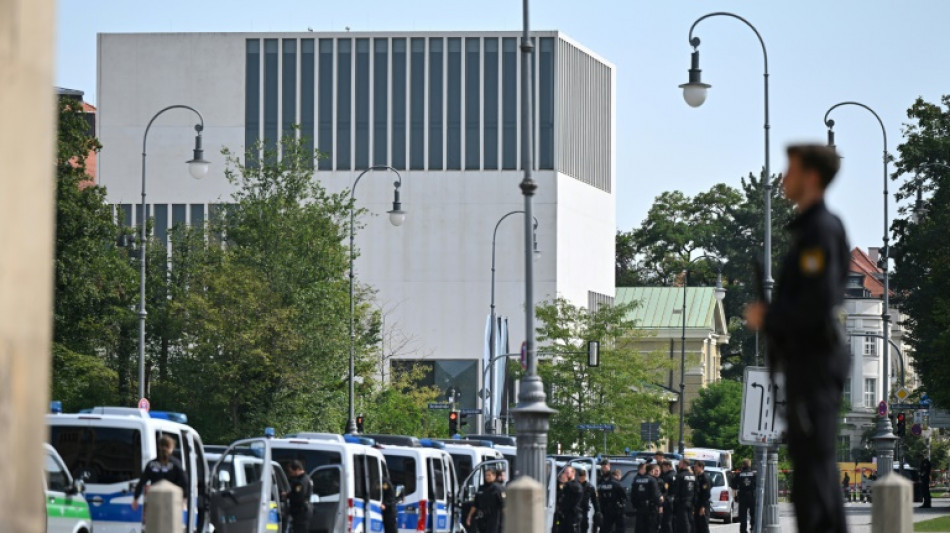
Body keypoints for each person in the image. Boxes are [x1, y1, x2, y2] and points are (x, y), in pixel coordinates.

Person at [745, 143, 850, 533]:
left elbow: (818, 302)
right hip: (808, 361)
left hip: (817, 360)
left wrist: (769, 315)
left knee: (814, 472)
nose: (783, 180)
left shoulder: (820, 230)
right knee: (811, 469)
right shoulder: (810, 229)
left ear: (811, 177)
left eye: (790, 171)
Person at [131, 435, 188, 515]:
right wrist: (184, 499)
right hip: (172, 500)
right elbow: (185, 482)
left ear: (158, 446)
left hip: (155, 500)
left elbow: (141, 483)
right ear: (171, 448)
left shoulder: (151, 464)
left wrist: (136, 499)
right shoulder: (176, 464)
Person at [467, 468, 505, 533]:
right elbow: (476, 504)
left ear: (494, 476)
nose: (487, 477)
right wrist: (469, 516)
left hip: (495, 518)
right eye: (486, 475)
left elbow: (504, 505)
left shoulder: (499, 488)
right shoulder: (481, 488)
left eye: (489, 475)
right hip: (483, 518)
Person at [284, 461, 313, 533]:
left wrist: (287, 495)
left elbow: (298, 497)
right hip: (304, 510)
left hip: (300, 512)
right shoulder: (307, 478)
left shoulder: (300, 481)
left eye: (291, 472)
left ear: (297, 470)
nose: (290, 474)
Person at [633, 463, 662, 533]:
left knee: (640, 528)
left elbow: (633, 495)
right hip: (651, 509)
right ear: (652, 471)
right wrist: (659, 504)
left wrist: (636, 505)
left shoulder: (636, 479)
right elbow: (656, 495)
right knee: (651, 529)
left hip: (640, 508)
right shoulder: (652, 480)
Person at [596, 469, 627, 533]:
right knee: (620, 528)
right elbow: (624, 496)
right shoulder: (616, 484)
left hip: (606, 510)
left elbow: (600, 497)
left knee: (606, 528)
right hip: (617, 509)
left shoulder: (601, 485)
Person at [555, 466, 583, 533]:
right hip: (563, 516)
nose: (565, 474)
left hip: (573, 516)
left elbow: (576, 491)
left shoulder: (576, 485)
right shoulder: (565, 485)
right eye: (564, 472)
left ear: (573, 473)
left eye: (567, 472)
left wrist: (565, 483)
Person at [731, 459, 756, 533]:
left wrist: (735, 497)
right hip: (752, 496)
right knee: (753, 514)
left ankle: (743, 531)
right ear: (750, 465)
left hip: (742, 496)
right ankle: (753, 529)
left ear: (743, 465)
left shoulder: (738, 474)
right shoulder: (754, 474)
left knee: (743, 516)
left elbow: (733, 487)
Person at [671, 459, 695, 533]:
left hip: (681, 502)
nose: (678, 465)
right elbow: (696, 490)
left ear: (684, 464)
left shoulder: (680, 476)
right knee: (690, 520)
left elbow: (676, 490)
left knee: (683, 522)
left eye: (680, 463)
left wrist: (675, 502)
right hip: (691, 502)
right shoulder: (693, 476)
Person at [577, 469, 599, 533]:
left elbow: (595, 500)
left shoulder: (590, 487)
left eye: (583, 476)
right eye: (580, 476)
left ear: (585, 476)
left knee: (584, 526)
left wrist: (597, 511)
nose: (581, 478)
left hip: (584, 510)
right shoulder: (575, 485)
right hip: (575, 510)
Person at [692, 462, 711, 533]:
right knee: (696, 526)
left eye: (696, 466)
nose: (694, 468)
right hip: (697, 504)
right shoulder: (697, 477)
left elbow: (706, 494)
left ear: (701, 467)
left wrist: (703, 507)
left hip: (703, 505)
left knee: (704, 526)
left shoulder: (705, 478)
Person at [659, 461, 676, 533]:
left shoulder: (667, 476)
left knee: (666, 521)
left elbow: (665, 490)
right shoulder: (676, 474)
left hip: (668, 501)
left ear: (668, 466)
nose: (662, 469)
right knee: (672, 522)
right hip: (675, 500)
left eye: (663, 467)